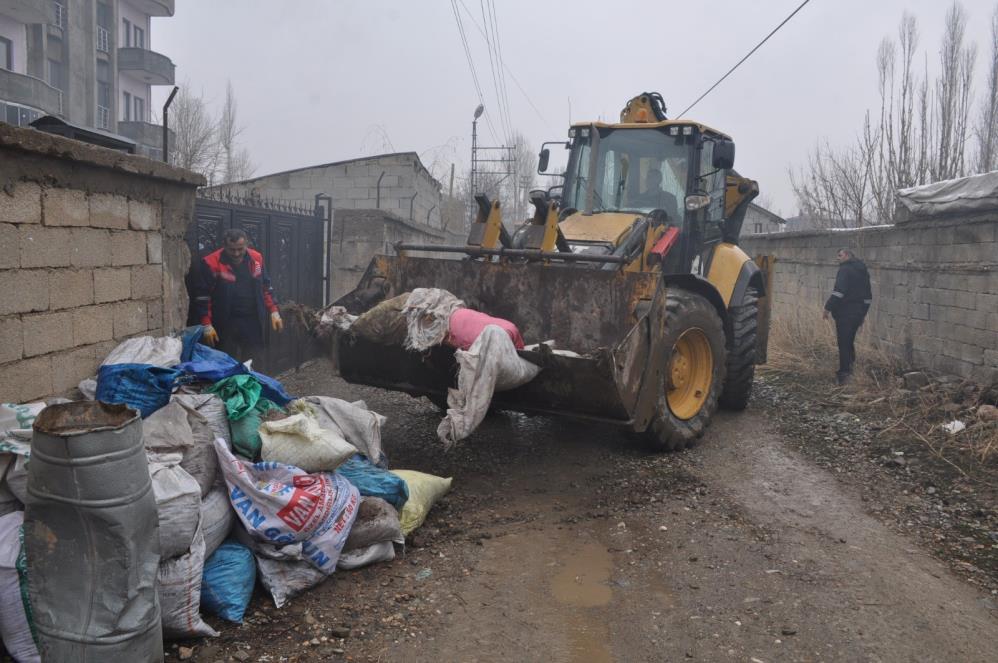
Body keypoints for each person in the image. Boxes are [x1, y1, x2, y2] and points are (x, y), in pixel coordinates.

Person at [195, 228, 283, 361]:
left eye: (240, 249)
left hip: (252, 320)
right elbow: (202, 296)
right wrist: (206, 323)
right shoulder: (211, 263)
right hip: (224, 322)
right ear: (224, 246)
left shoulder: (256, 259)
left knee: (254, 361)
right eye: (232, 249)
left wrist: (274, 311)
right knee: (226, 363)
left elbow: (265, 286)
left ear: (246, 244)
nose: (236, 253)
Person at [823, 248, 872, 385]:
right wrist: (863, 314)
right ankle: (851, 370)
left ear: (848, 255)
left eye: (840, 255)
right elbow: (868, 296)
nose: (838, 258)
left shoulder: (845, 269)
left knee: (844, 343)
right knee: (849, 342)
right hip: (858, 313)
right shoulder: (863, 270)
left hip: (845, 313)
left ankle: (844, 375)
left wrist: (827, 308)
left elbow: (839, 292)